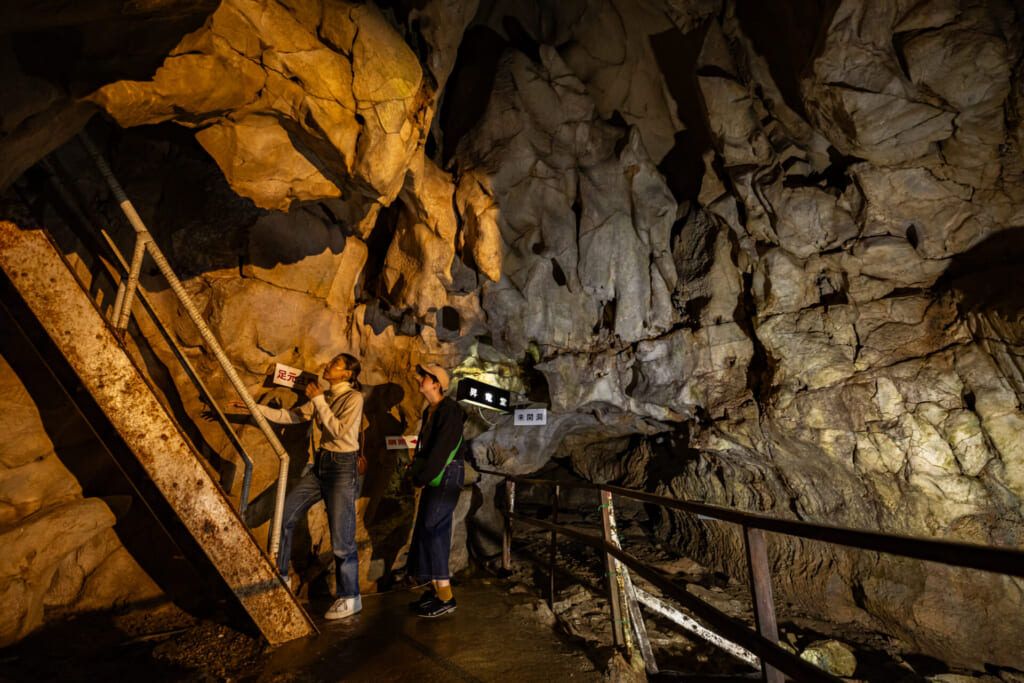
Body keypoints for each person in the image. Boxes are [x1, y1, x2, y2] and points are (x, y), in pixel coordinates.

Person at [232, 353, 364, 620]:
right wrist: (254, 408)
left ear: (348, 374)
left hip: (341, 467)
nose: (328, 365)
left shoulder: (353, 398)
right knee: (284, 513)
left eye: (335, 363)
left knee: (342, 538)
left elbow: (338, 430)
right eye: (331, 361)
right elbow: (293, 416)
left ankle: (350, 597)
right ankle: (281, 577)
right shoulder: (324, 397)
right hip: (322, 465)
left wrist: (317, 400)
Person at [405, 362, 468, 618]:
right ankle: (434, 590)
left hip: (447, 474)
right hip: (437, 474)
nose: (420, 379)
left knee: (435, 529)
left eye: (425, 376)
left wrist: (422, 476)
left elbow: (441, 450)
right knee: (426, 528)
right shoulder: (431, 410)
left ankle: (446, 597)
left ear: (437, 383)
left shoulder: (449, 411)